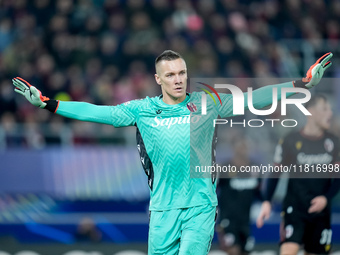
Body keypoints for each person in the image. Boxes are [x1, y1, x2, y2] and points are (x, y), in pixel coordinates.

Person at [12, 50, 332, 255]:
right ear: (158, 79)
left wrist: (301, 84)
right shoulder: (142, 110)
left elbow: (254, 98)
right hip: (163, 209)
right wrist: (49, 104)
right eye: (170, 75)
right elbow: (99, 112)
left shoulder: (207, 102)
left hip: (200, 206)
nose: (178, 80)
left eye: (181, 73)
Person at [256, 94, 340, 255]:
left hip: (321, 212)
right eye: (325, 108)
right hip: (295, 209)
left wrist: (325, 198)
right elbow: (276, 173)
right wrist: (267, 200)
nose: (330, 113)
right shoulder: (290, 141)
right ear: (310, 111)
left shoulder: (334, 143)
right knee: (288, 250)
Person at [216, 135, 261, 255]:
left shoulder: (255, 168)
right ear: (233, 148)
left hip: (246, 219)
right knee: (233, 250)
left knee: (245, 251)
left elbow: (259, 192)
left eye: (245, 146)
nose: (243, 149)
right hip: (228, 218)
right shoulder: (225, 167)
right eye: (240, 146)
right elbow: (214, 189)